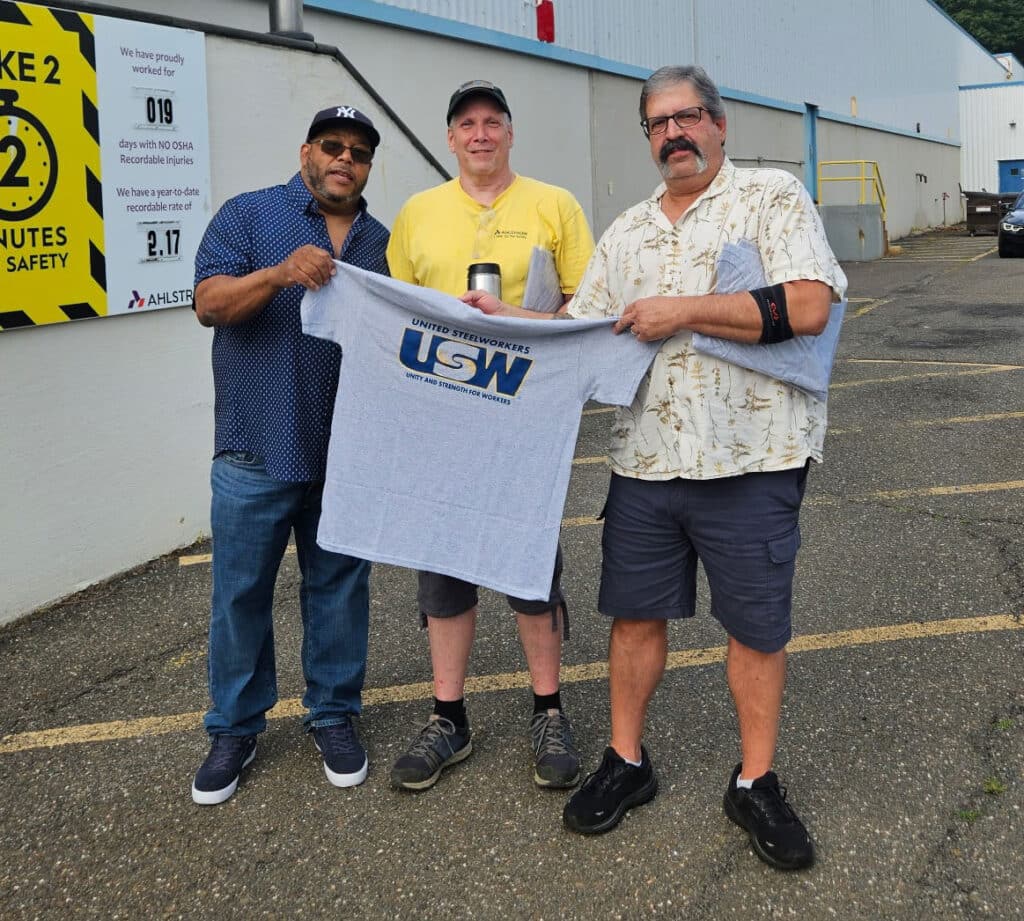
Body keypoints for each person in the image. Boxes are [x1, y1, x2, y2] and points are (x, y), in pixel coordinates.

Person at [464, 65, 846, 870]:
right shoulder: (629, 231)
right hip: (646, 462)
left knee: (755, 629)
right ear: (648, 136)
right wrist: (509, 318)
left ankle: (755, 781)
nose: (675, 133)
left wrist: (684, 311)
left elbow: (810, 305)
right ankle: (626, 760)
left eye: (689, 117)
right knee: (635, 618)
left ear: (719, 124)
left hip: (754, 459)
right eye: (659, 123)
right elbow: (582, 329)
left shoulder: (771, 198)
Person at [385, 79, 596, 792]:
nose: (480, 134)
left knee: (531, 567)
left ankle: (549, 710)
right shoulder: (417, 213)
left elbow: (588, 306)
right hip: (441, 421)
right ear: (450, 139)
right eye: (467, 124)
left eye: (492, 122)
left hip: (525, 417)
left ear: (510, 133)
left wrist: (515, 318)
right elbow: (396, 311)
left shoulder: (554, 205)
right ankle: (449, 717)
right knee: (444, 570)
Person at [189, 105, 390, 805]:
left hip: (344, 453)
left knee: (339, 591)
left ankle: (333, 714)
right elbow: (208, 302)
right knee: (240, 596)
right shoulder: (249, 215)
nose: (345, 159)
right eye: (333, 145)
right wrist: (277, 274)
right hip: (255, 448)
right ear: (307, 151)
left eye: (359, 152)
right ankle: (234, 728)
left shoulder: (379, 241)